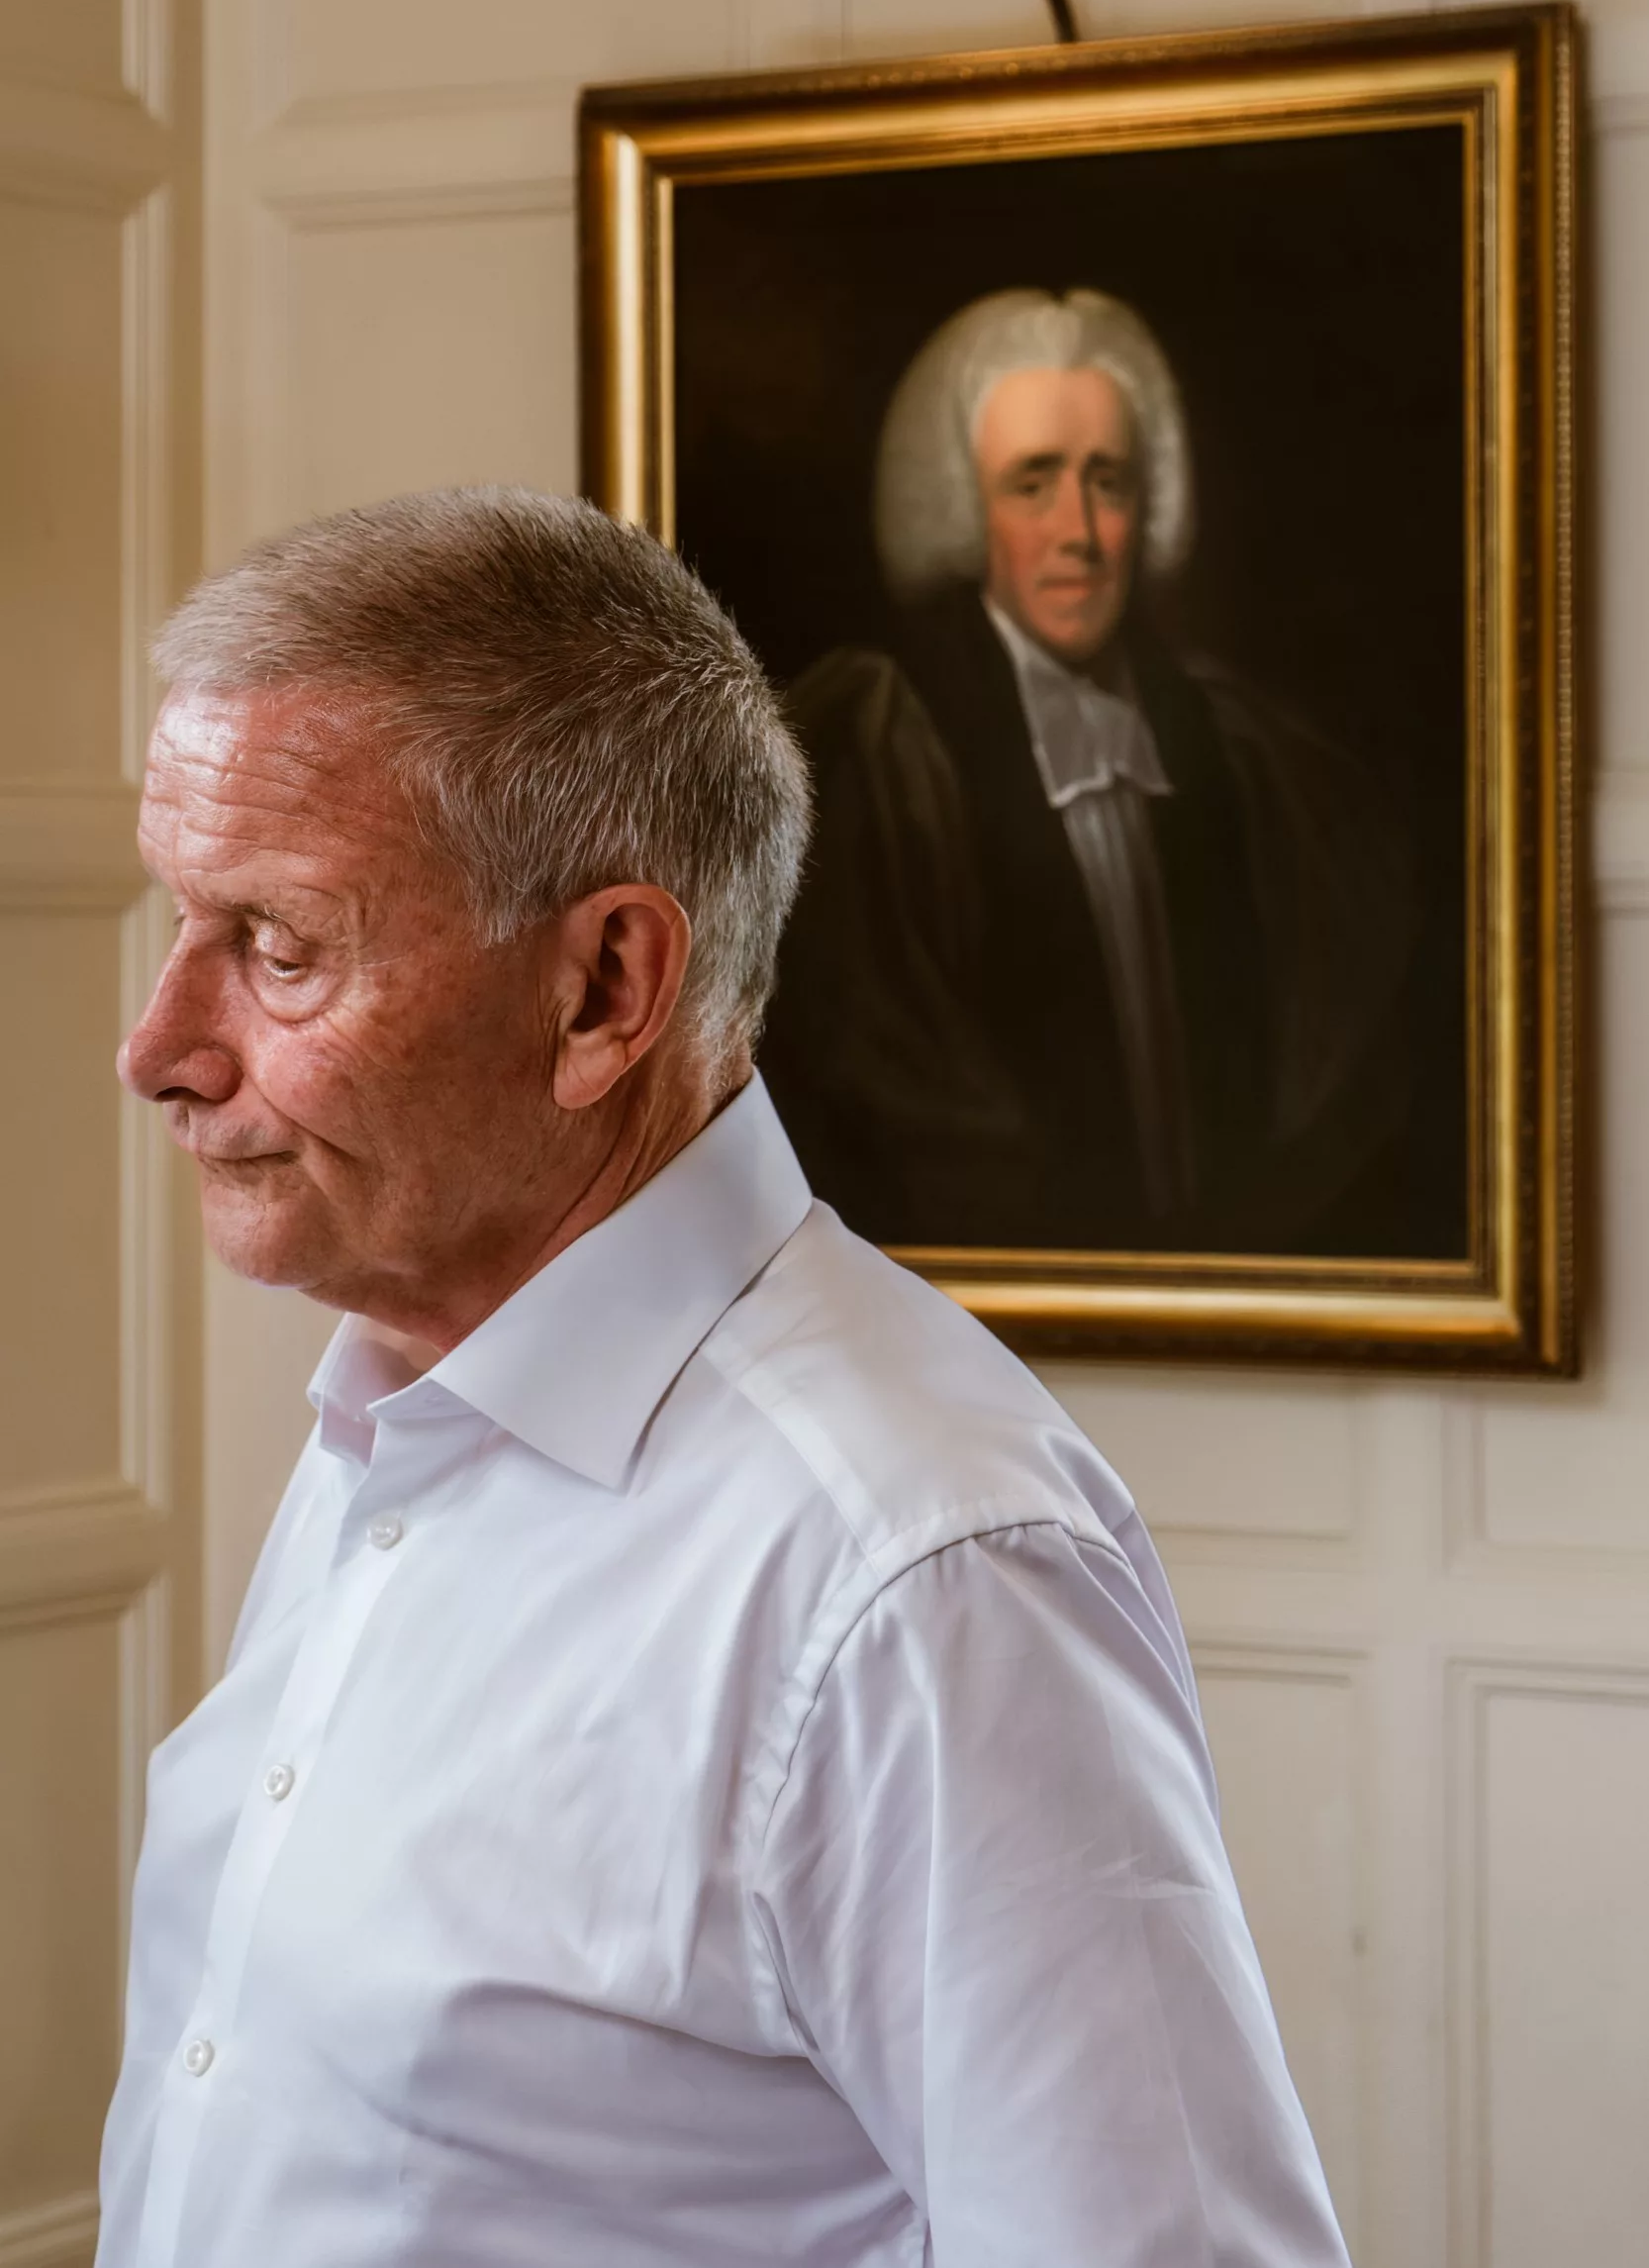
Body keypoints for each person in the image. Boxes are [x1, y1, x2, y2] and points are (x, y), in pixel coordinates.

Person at [98, 485, 1350, 2266]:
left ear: (606, 987)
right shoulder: (396, 1396)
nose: (157, 1049)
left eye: (280, 948)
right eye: (179, 922)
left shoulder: (919, 1573)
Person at [762, 288, 1414, 1252]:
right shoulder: (880, 745)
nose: (1079, 529)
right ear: (964, 506)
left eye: (1106, 480)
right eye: (1033, 482)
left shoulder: (1242, 750)